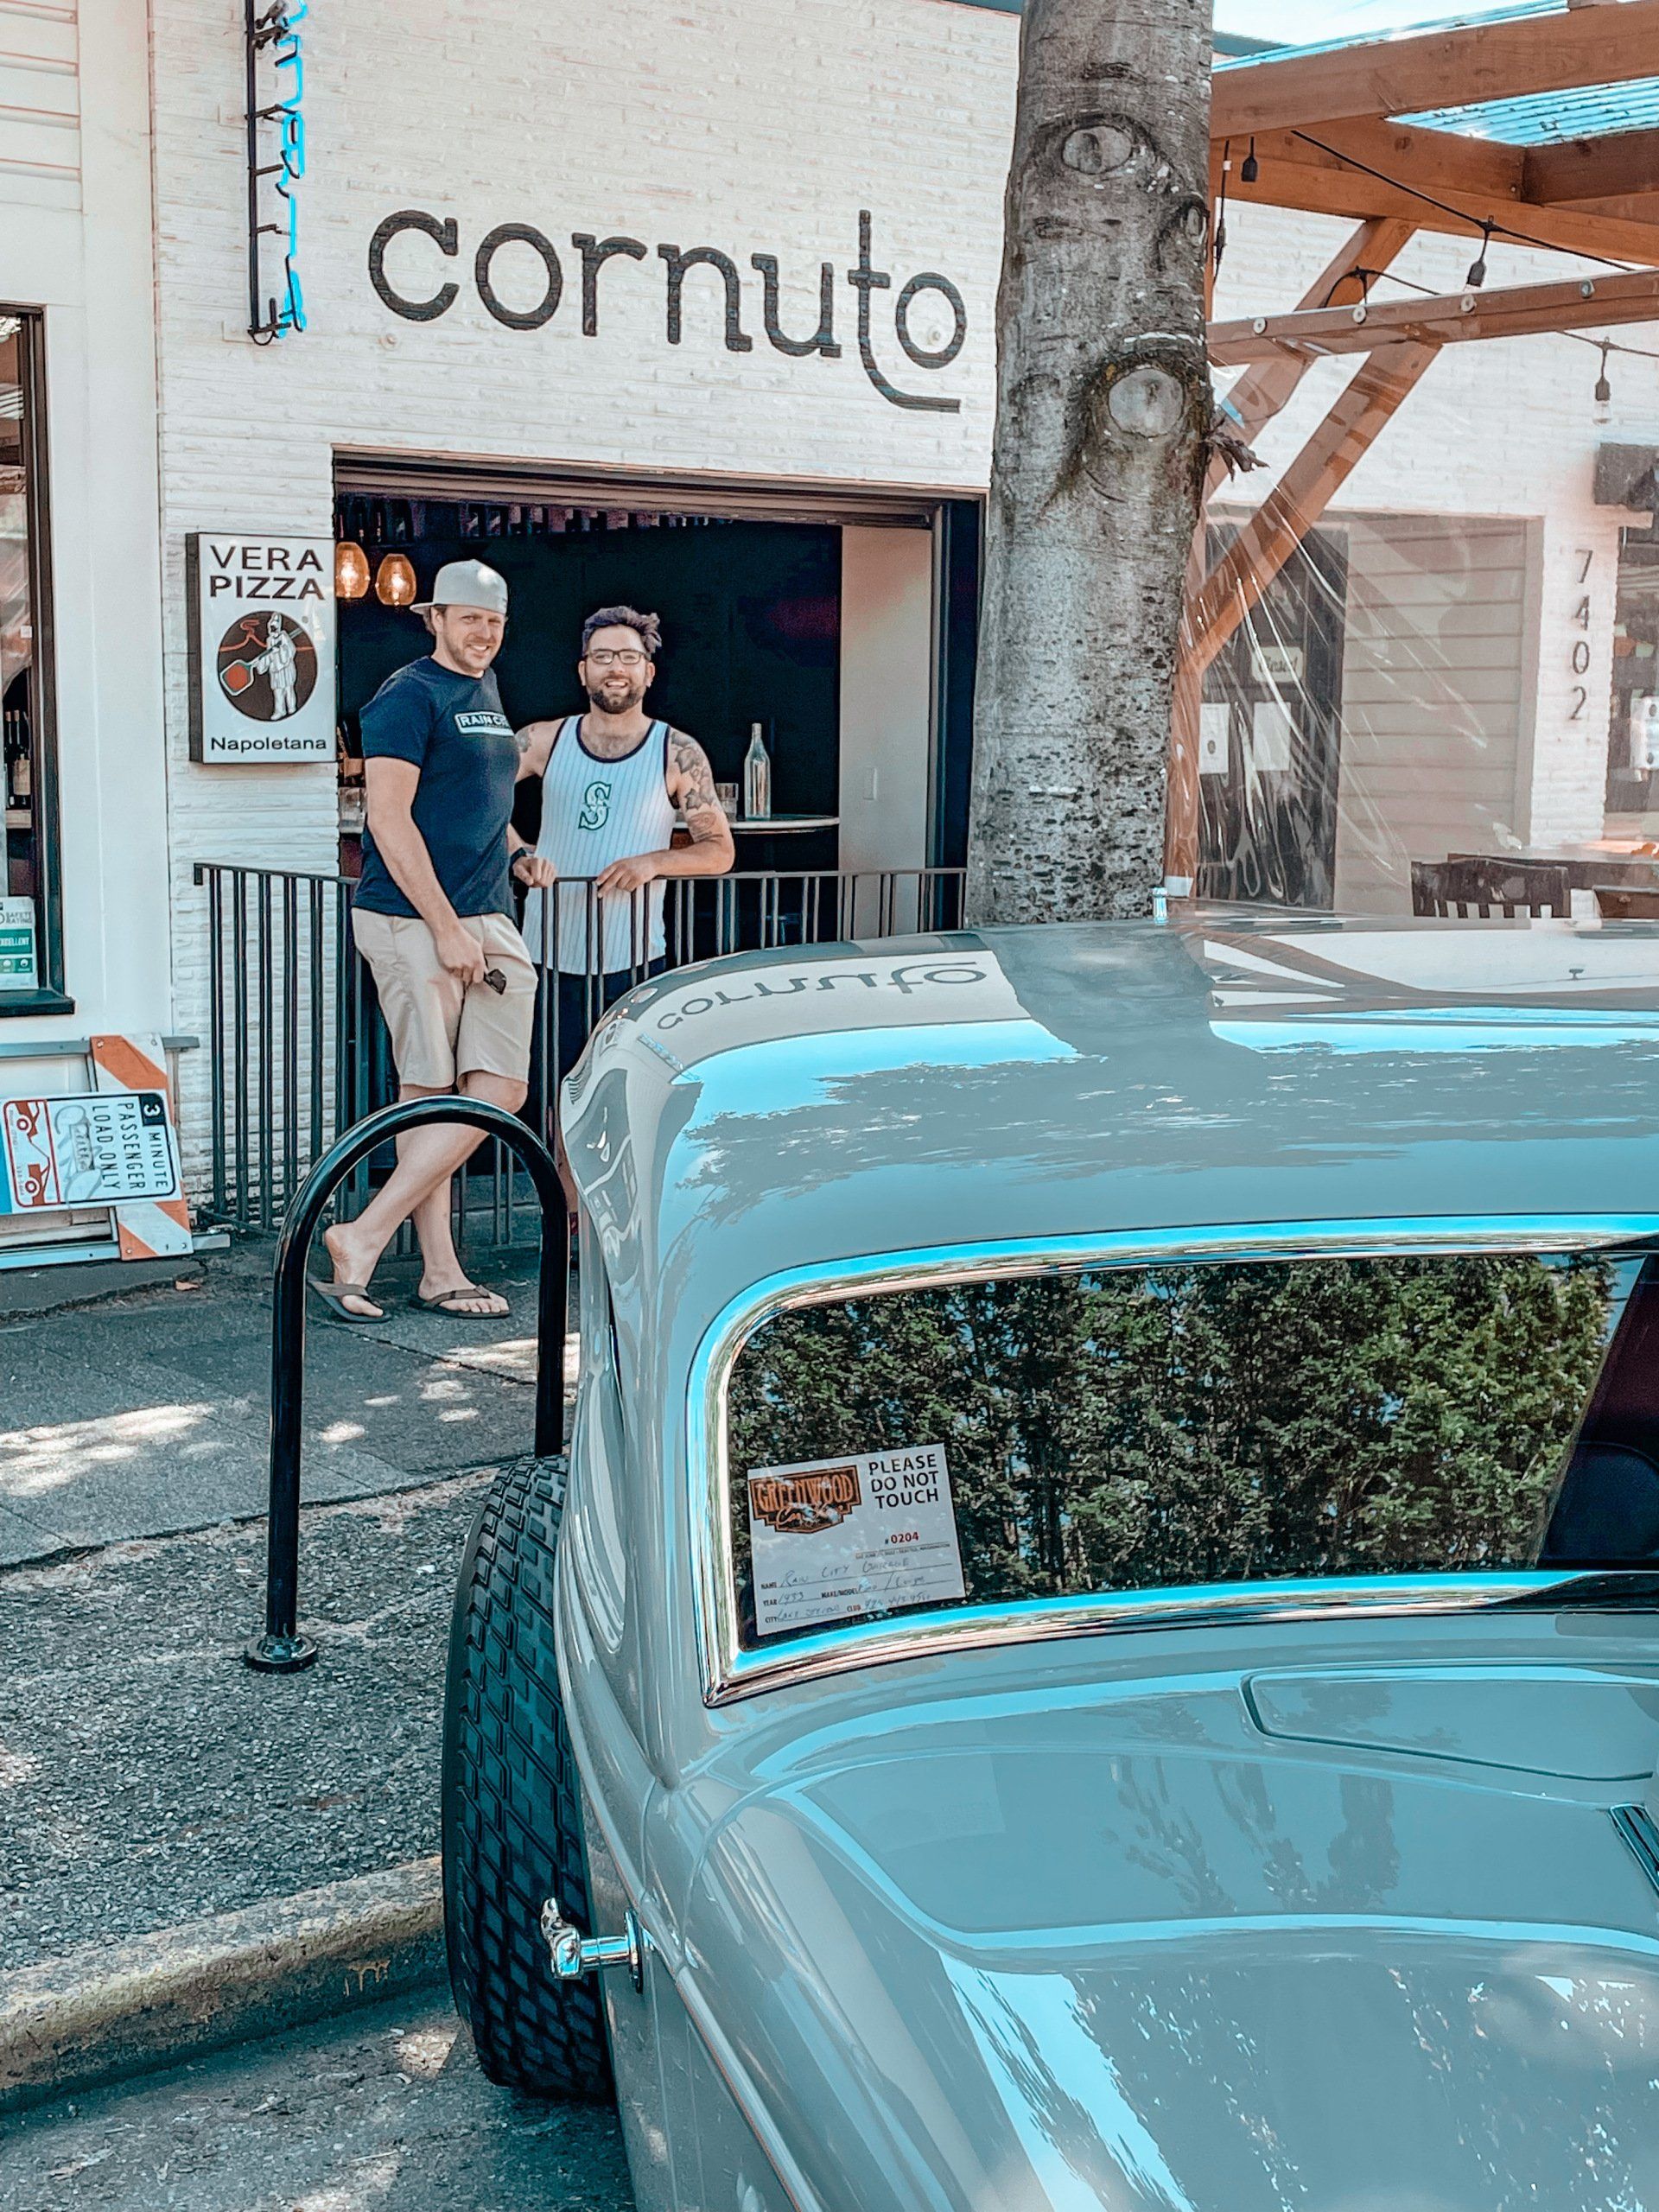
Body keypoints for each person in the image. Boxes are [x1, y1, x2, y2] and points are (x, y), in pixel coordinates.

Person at [311, 558, 556, 1324]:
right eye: (469, 619)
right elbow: (387, 819)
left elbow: (476, 801)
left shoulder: (484, 691)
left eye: (494, 622)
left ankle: (364, 1233)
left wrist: (515, 851)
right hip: (411, 918)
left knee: (500, 1089)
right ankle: (440, 1271)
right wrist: (445, 928)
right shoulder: (406, 695)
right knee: (430, 1092)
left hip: (488, 912)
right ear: (436, 619)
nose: (483, 634)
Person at [517, 605, 734, 1096]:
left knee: (625, 1092)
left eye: (629, 657)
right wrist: (517, 853)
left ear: (649, 672)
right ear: (582, 670)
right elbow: (474, 802)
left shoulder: (676, 750)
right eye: (602, 657)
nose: (616, 668)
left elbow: (719, 851)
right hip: (546, 952)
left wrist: (652, 862)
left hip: (634, 959)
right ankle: (554, 1177)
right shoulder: (544, 739)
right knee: (549, 1087)